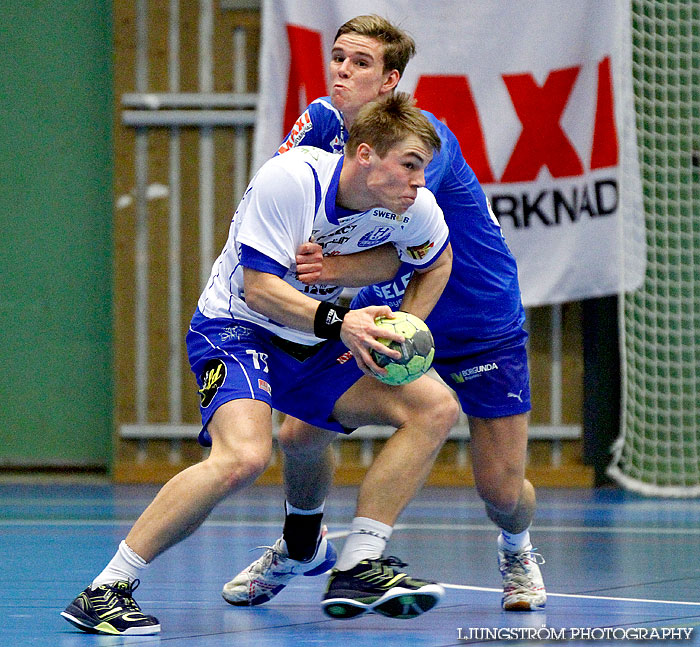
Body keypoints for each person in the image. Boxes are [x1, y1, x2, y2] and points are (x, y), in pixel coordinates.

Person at [60, 93, 458, 635]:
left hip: (317, 337)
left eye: (424, 171)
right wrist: (346, 324)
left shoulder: (414, 207)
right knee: (244, 456)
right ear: (365, 155)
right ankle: (104, 590)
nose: (419, 182)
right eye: (410, 166)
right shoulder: (292, 180)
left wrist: (400, 335)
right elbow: (261, 290)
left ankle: (358, 565)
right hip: (238, 327)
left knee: (433, 406)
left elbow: (435, 261)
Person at [223, 15, 546, 613]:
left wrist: (334, 272)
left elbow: (411, 249)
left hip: (474, 317)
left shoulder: (421, 140)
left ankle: (517, 547)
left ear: (391, 80)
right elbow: (298, 200)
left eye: (361, 63)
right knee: (300, 430)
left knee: (501, 489)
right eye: (338, 59)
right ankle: (301, 544)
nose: (343, 73)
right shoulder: (319, 124)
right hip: (390, 306)